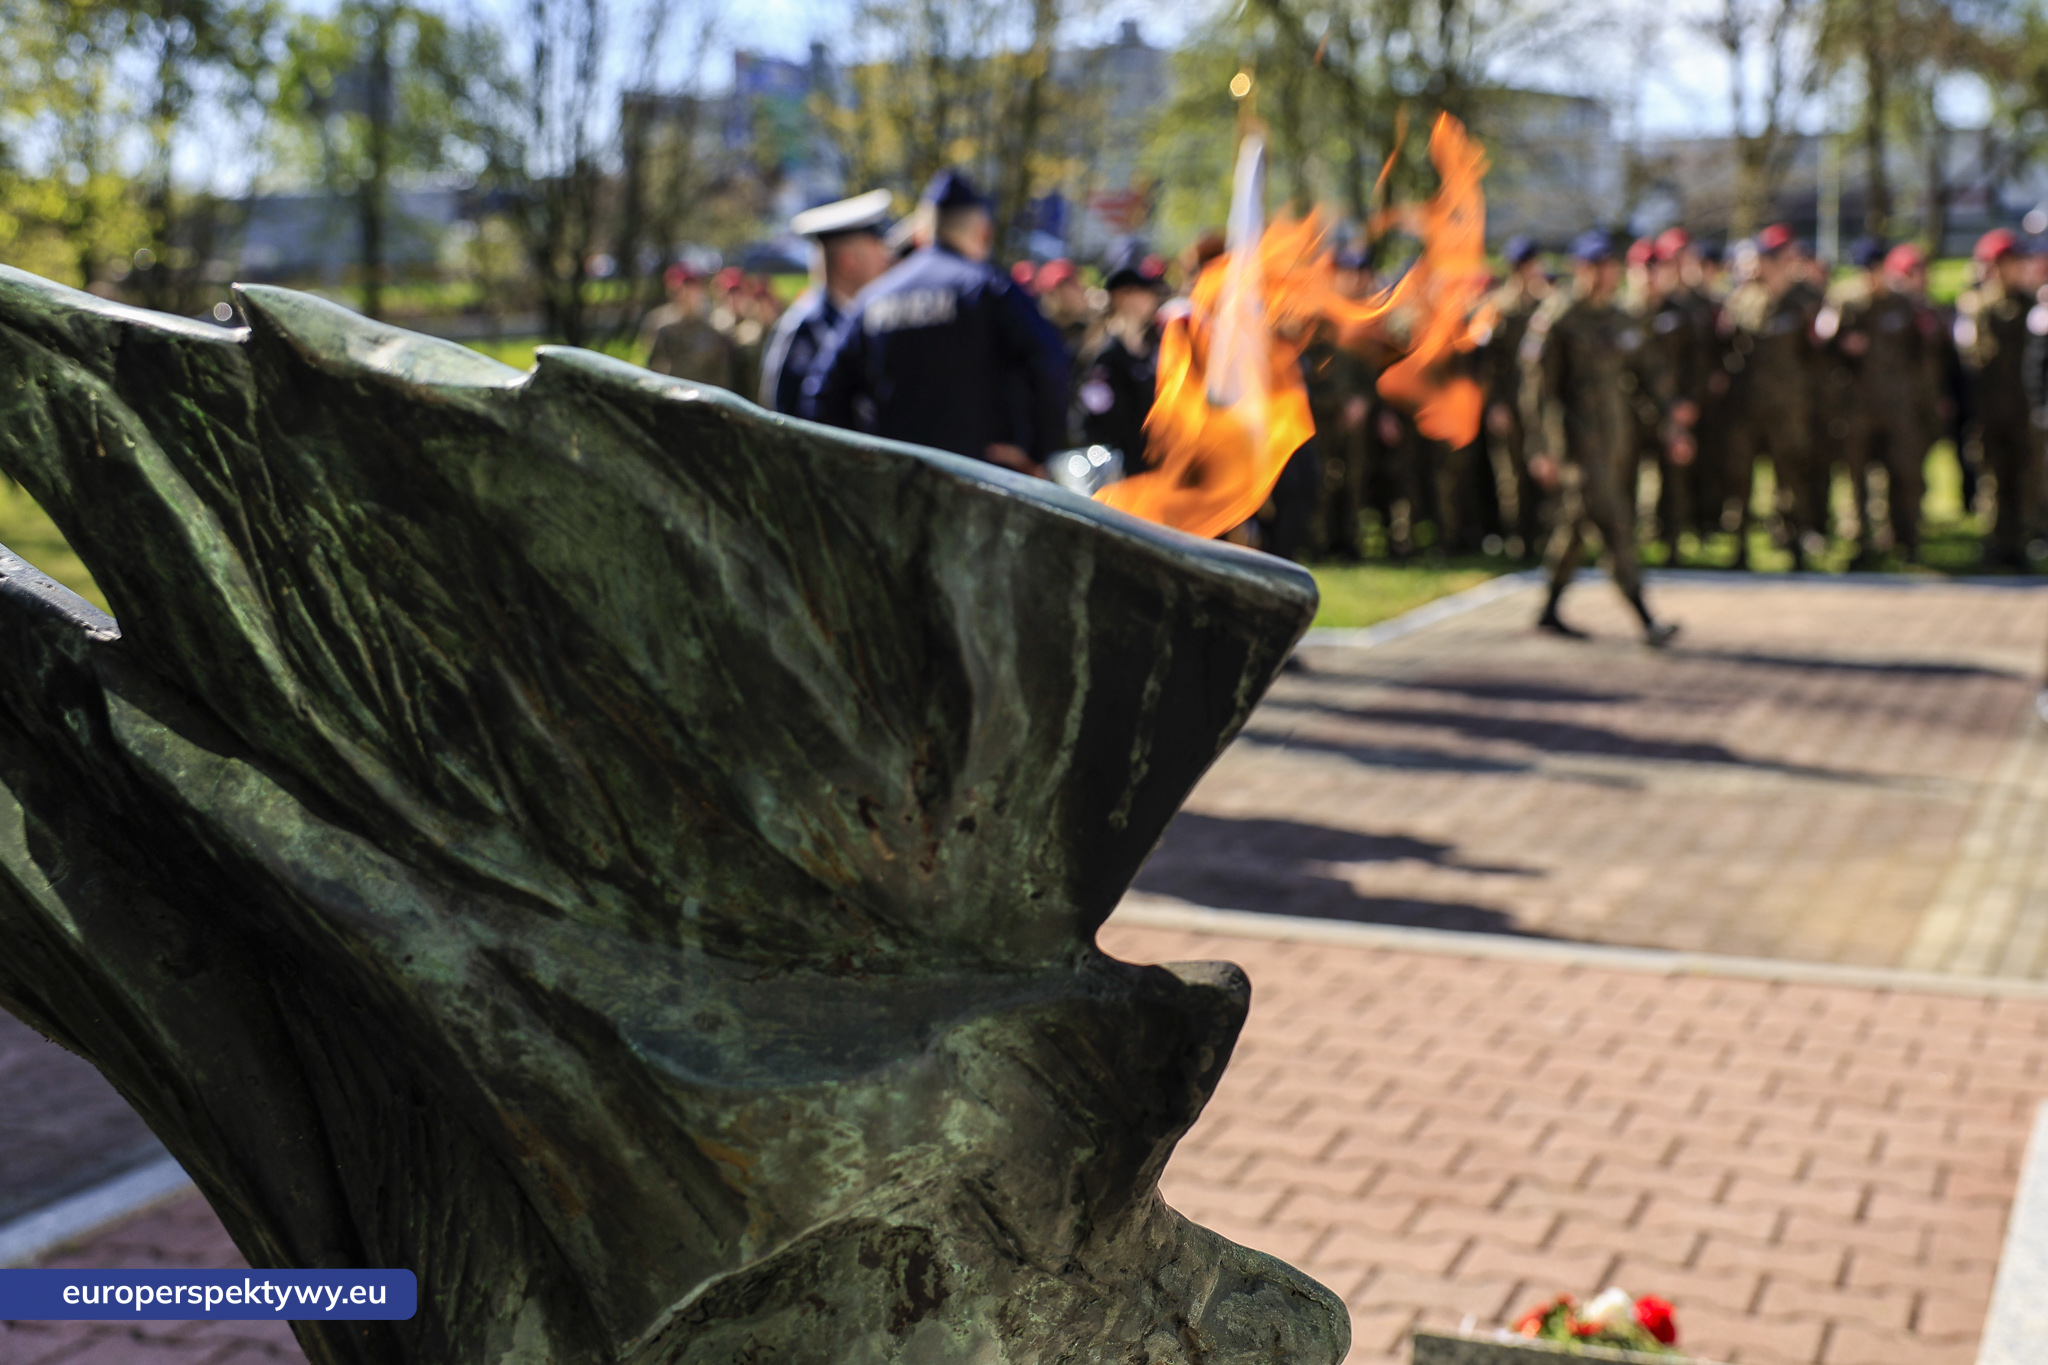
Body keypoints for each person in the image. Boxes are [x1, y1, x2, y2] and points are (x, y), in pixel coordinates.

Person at [807, 170, 1067, 476]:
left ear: (920, 232)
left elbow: (822, 394)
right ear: (983, 232)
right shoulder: (988, 290)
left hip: (897, 482)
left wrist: (861, 464)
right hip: (985, 482)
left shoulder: (872, 299)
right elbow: (1050, 363)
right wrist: (1038, 453)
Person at [1521, 229, 1683, 645]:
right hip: (1576, 448)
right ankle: (1646, 618)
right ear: (1580, 269)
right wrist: (1541, 450)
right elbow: (1537, 393)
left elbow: (1650, 373)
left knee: (1576, 528)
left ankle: (1548, 608)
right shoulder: (1559, 319)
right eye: (1595, 267)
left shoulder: (1618, 318)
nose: (1605, 276)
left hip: (1616, 442)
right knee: (1615, 526)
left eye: (1609, 267)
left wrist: (1671, 421)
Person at [1822, 239, 1939, 564]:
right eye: (1867, 272)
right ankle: (1861, 544)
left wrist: (1923, 400)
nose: (1874, 278)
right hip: (1858, 407)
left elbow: (1922, 356)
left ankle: (1906, 541)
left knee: (1904, 473)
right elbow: (1824, 352)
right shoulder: (1847, 304)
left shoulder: (1903, 305)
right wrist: (1843, 345)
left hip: (1898, 405)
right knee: (1858, 477)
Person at [1721, 223, 1824, 569]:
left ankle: (1793, 544)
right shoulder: (1742, 299)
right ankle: (1739, 547)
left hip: (1790, 405)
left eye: (1775, 257)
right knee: (1741, 477)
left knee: (1790, 475)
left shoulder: (1808, 300)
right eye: (1766, 258)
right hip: (1748, 405)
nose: (1768, 264)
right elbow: (1728, 351)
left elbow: (1819, 354)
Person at [758, 189, 895, 415]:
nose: (885, 258)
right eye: (876, 249)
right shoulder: (804, 326)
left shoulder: (867, 314)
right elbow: (784, 416)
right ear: (848, 262)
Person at [1963, 228, 2036, 569]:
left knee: (2024, 478)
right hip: (1989, 411)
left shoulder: (2031, 304)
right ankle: (1995, 545)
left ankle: (2019, 544)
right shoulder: (1979, 307)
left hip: (2025, 411)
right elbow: (1974, 359)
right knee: (1992, 478)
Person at [1480, 235, 1553, 559]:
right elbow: (1487, 364)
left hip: (1541, 405)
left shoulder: (1546, 306)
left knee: (1544, 468)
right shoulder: (1499, 308)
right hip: (1509, 402)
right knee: (1511, 475)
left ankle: (1545, 539)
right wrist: (1495, 404)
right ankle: (1517, 541)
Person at [1072, 250, 1165, 466]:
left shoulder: (1149, 350)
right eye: (1143, 292)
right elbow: (1096, 421)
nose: (1152, 298)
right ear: (1122, 297)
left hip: (1148, 464)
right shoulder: (1104, 355)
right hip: (1117, 468)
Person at [640, 263, 737, 388]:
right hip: (672, 395)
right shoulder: (661, 325)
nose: (688, 295)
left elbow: (722, 372)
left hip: (705, 397)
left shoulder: (715, 326)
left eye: (693, 289)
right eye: (682, 289)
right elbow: (652, 368)